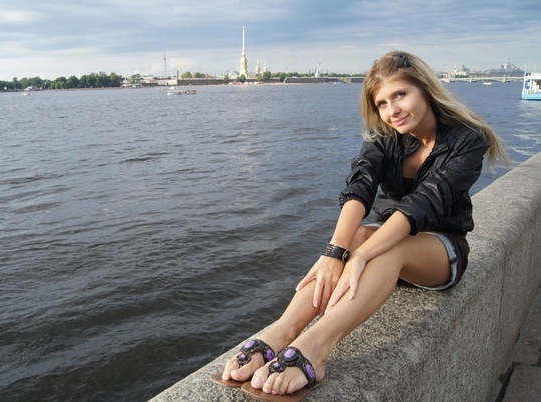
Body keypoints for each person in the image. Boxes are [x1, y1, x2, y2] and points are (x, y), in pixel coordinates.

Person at [212, 50, 509, 400]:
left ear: (425, 89)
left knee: (386, 246)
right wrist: (334, 253)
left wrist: (361, 256)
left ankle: (316, 346)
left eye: (400, 95)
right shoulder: (385, 138)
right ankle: (283, 331)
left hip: (441, 249)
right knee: (352, 235)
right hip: (387, 239)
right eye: (382, 103)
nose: (392, 110)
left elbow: (423, 204)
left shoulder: (468, 139)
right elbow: (360, 187)